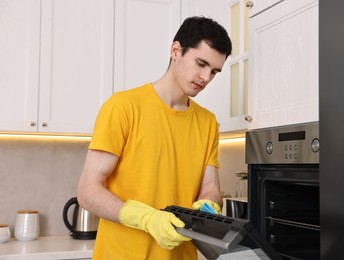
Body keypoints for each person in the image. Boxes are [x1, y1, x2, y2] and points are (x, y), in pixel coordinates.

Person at [77, 16, 232, 260]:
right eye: (200, 64)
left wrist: (209, 206)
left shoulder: (208, 122)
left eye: (214, 71)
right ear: (175, 50)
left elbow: (210, 186)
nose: (206, 78)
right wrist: (147, 219)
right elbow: (87, 191)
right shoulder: (123, 107)